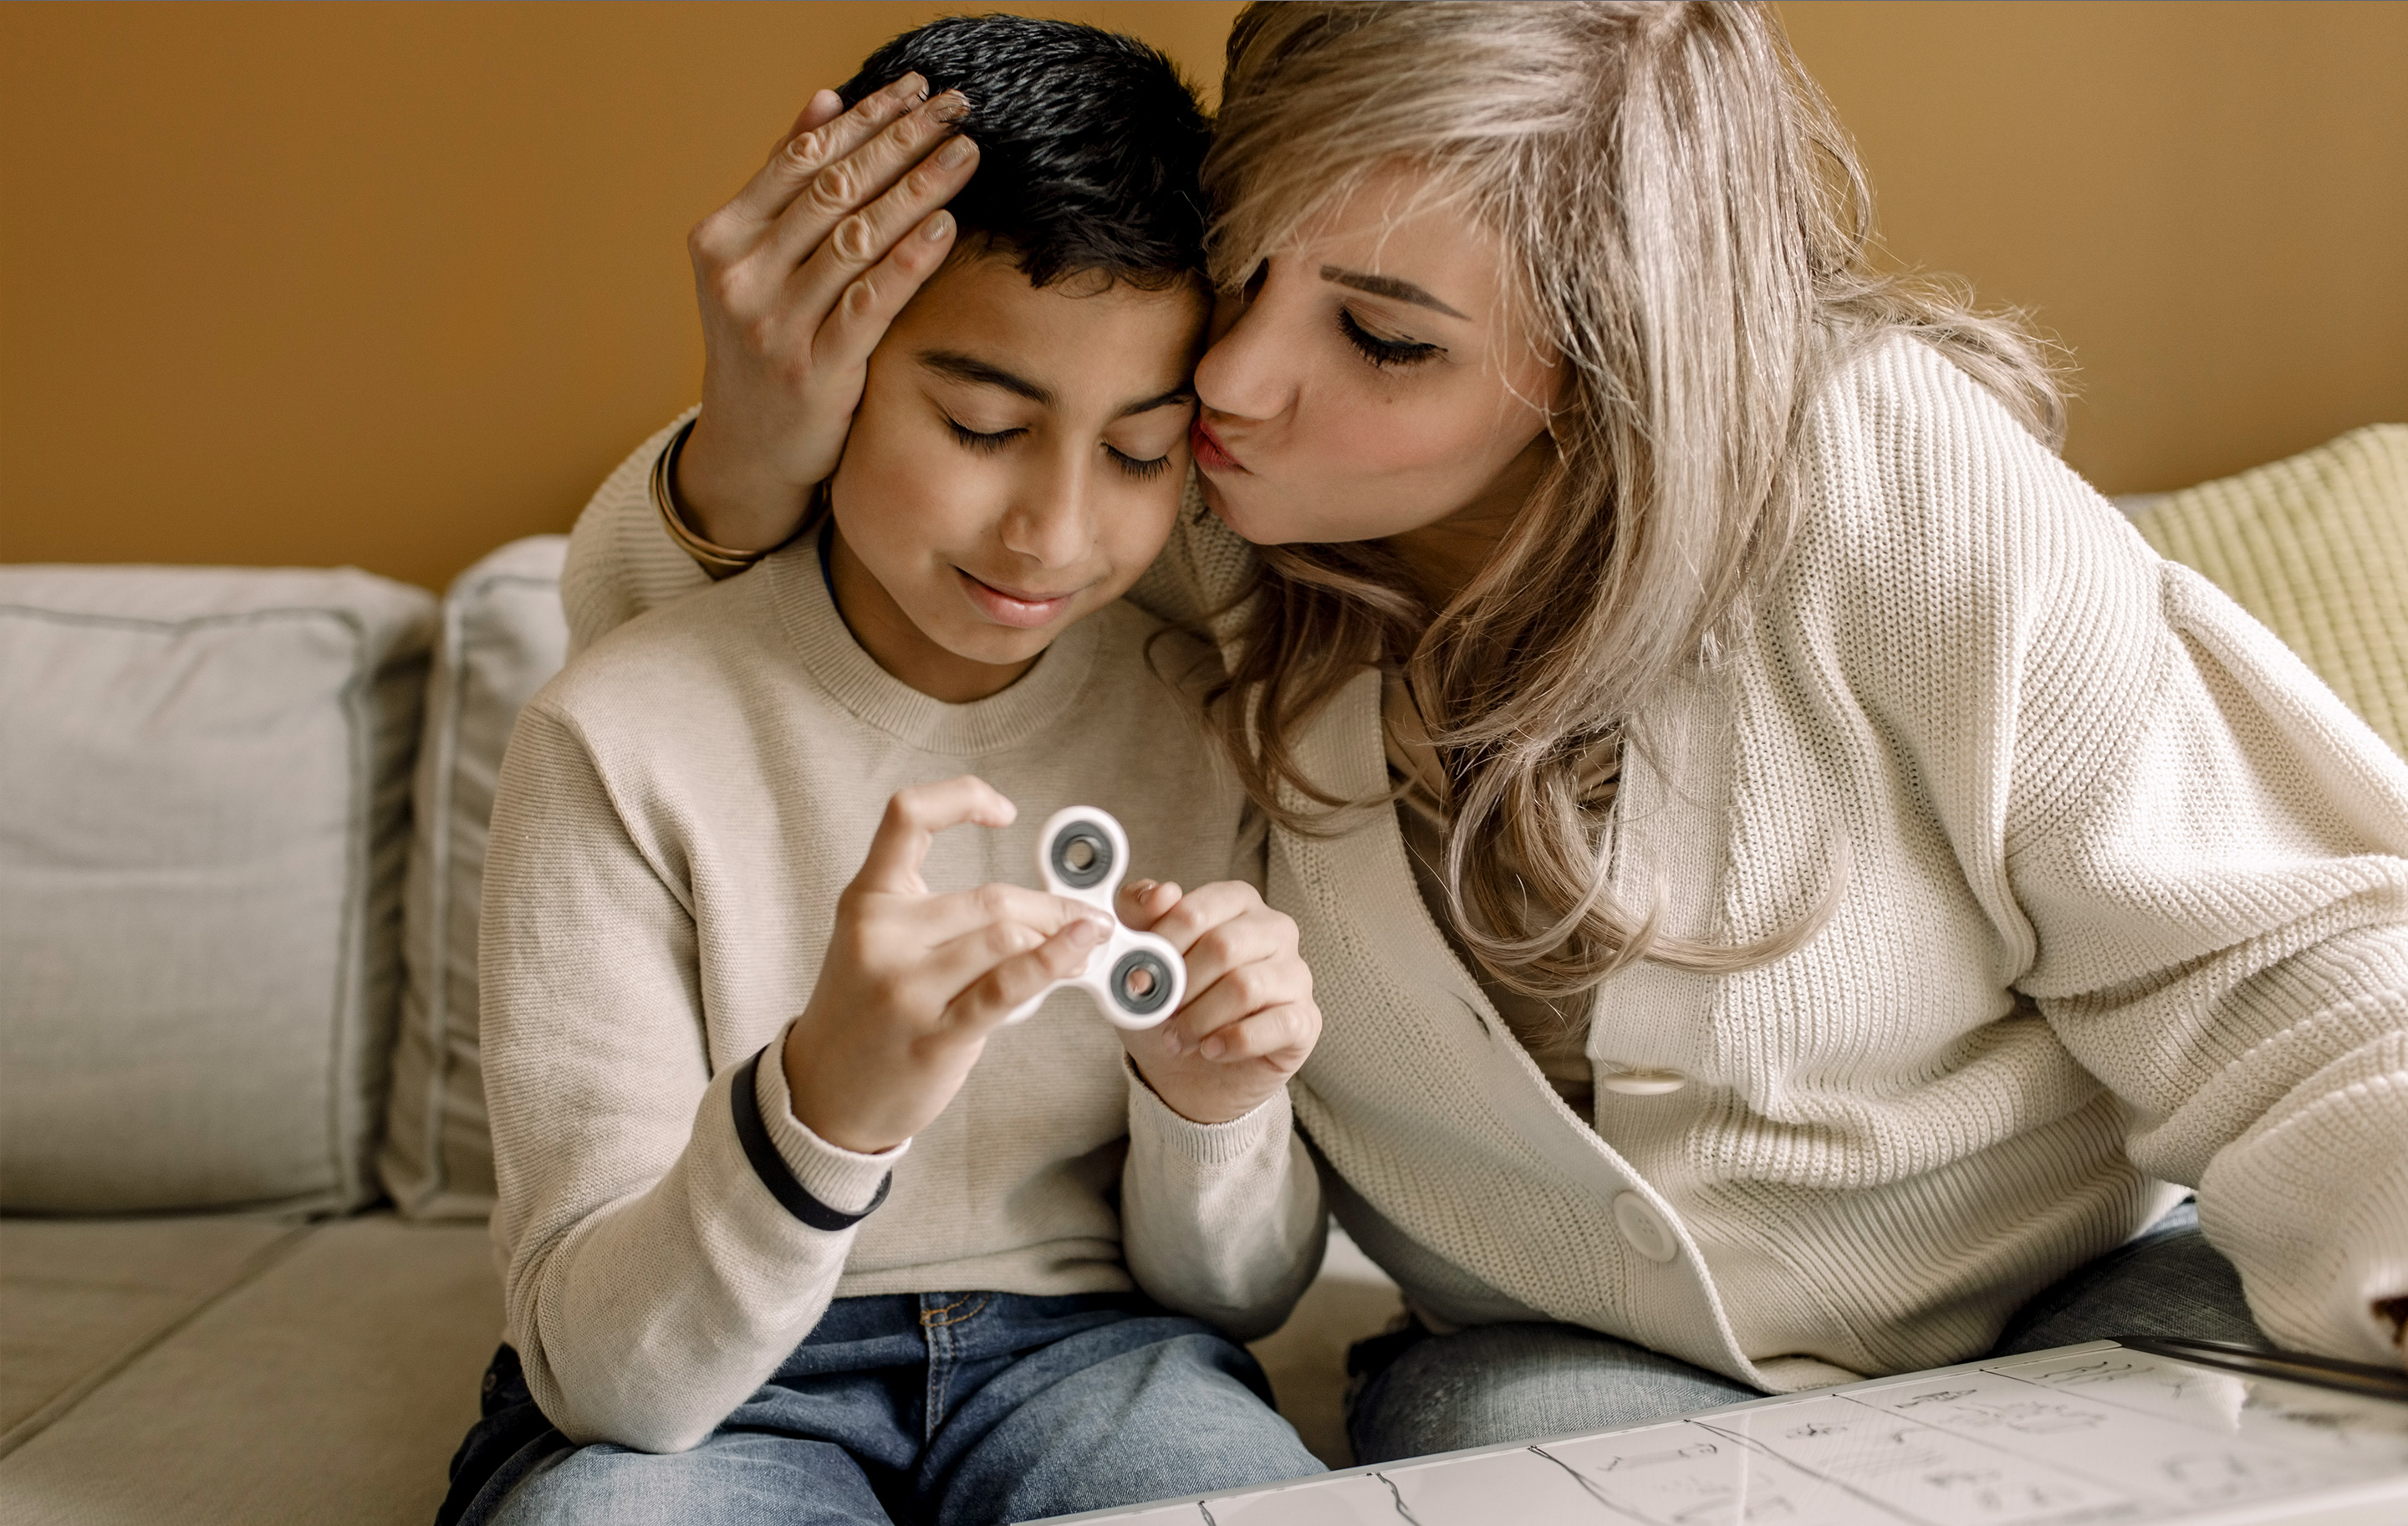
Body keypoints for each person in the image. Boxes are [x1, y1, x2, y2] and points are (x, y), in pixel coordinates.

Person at [563, 0, 2408, 1472]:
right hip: (1554, 1374)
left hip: (2057, 1306)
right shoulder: (1179, 508)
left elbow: (2279, 963)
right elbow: (739, 701)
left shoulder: (1884, 471)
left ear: (1615, 362)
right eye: (1247, 262)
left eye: (1385, 338)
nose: (1233, 379)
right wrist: (751, 437)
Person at [441, 18, 1330, 1525]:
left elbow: (1237, 1293)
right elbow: (612, 1380)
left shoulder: (1205, 710)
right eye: (982, 424)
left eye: (1138, 452)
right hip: (717, 1396)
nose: (1053, 533)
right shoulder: (617, 735)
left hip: (1093, 1356)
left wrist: (1209, 1104)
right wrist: (821, 1105)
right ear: (831, 369)